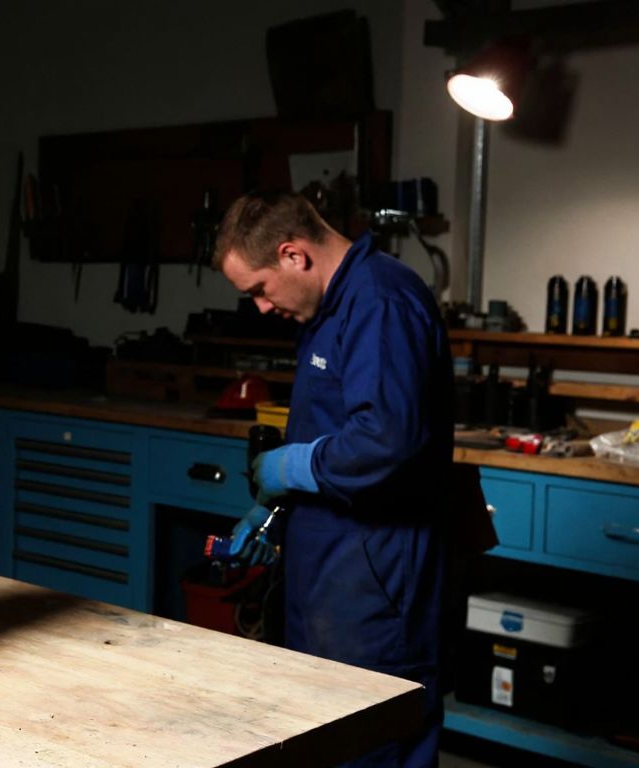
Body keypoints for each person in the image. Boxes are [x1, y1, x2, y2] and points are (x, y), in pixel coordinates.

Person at [213, 190, 466, 768]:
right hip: (332, 567)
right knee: (324, 736)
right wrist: (277, 507)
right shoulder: (331, 308)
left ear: (293, 255)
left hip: (376, 575)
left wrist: (291, 466)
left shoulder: (380, 301)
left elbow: (385, 441)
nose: (259, 307)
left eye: (258, 289)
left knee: (372, 740)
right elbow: (338, 431)